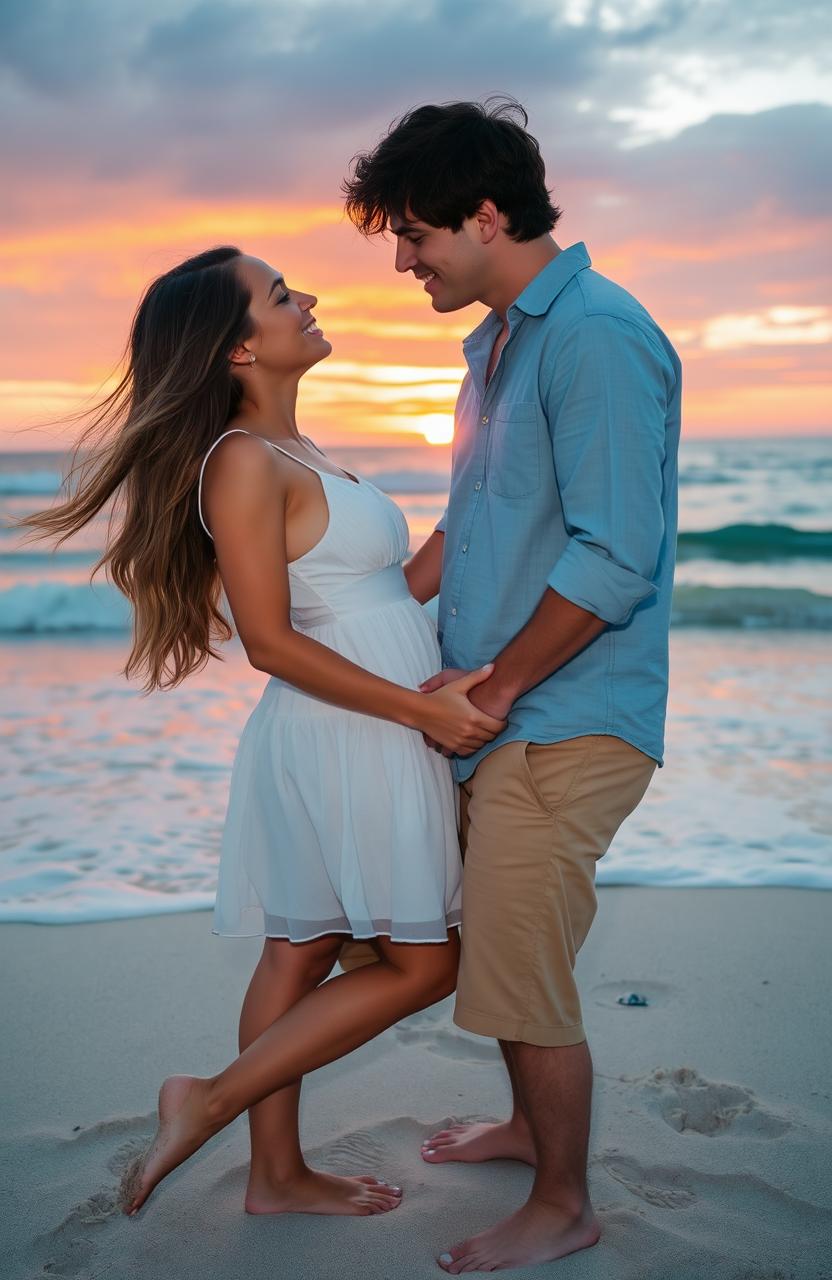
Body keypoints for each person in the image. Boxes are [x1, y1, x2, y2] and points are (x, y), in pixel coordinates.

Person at [19, 246, 506, 1218]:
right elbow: (272, 642)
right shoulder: (241, 462)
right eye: (282, 295)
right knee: (424, 964)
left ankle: (274, 1174)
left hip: (366, 723)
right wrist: (422, 711)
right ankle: (209, 1102)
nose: (310, 299)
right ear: (239, 347)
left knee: (300, 948)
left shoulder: (301, 453)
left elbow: (376, 595)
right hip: (345, 731)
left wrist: (479, 503)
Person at [342, 97, 681, 1271]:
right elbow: (471, 528)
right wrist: (364, 597)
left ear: (485, 215)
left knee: (521, 962)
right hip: (502, 714)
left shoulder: (592, 334)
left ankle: (564, 1197)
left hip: (566, 714)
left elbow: (612, 554)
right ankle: (522, 1127)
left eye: (415, 234)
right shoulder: (497, 346)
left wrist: (495, 687)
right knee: (505, 936)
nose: (401, 260)